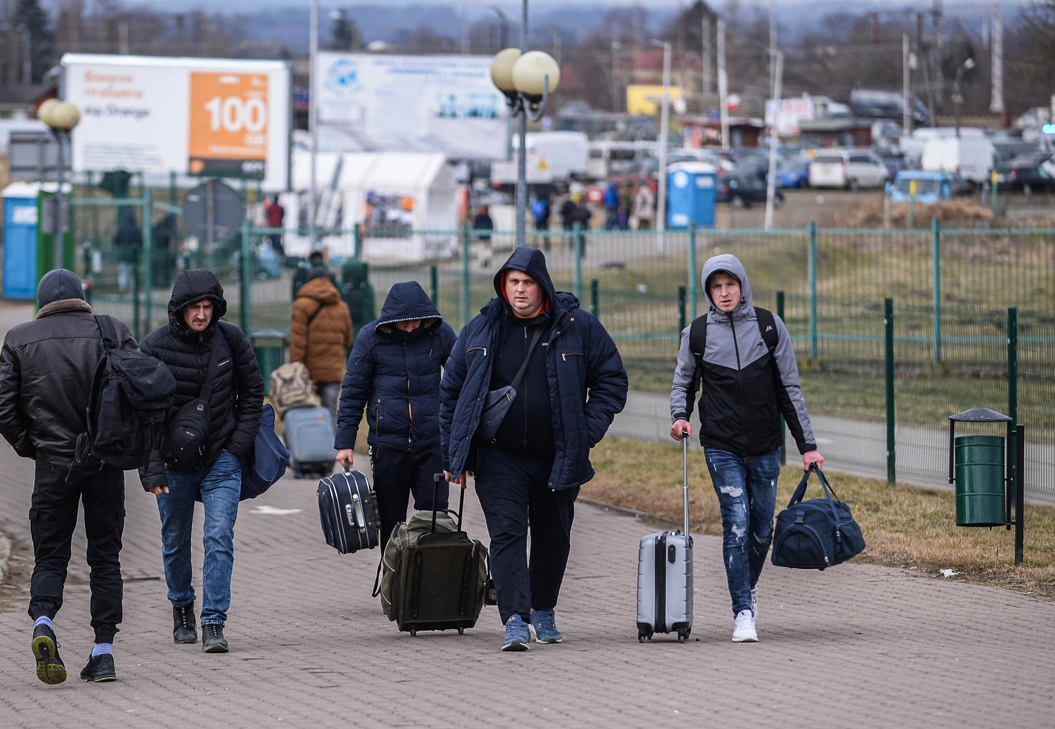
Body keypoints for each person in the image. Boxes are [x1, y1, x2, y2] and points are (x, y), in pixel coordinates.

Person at [440, 247, 627, 652]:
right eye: (513, 283)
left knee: (552, 537)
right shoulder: (481, 329)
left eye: (527, 283)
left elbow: (612, 380)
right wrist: (452, 456)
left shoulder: (579, 326)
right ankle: (515, 619)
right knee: (507, 534)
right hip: (498, 454)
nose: (520, 290)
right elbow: (451, 393)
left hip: (559, 455)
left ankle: (543, 609)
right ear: (502, 286)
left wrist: (585, 431)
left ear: (543, 287)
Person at [0, 269, 136, 684]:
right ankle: (103, 652)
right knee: (105, 557)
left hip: (53, 465)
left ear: (41, 301)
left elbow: (1, 410)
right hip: (105, 464)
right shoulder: (111, 331)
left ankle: (44, 623)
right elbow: (138, 394)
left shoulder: (19, 339)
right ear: (81, 296)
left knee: (51, 555)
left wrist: (32, 445)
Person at [669, 253, 823, 643]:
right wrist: (680, 415)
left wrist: (808, 446)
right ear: (708, 291)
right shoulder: (698, 334)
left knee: (759, 529)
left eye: (730, 285)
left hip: (766, 445)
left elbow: (790, 390)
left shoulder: (770, 327)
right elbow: (684, 384)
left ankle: (748, 587)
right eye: (716, 286)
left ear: (742, 286)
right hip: (721, 446)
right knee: (735, 522)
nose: (724, 293)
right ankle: (743, 611)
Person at [139, 269, 264, 653]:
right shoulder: (154, 347)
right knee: (175, 540)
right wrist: (152, 466)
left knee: (218, 536)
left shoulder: (232, 340)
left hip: (221, 457)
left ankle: (213, 622)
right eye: (195, 307)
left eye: (209, 307)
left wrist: (236, 448)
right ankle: (181, 608)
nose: (202, 315)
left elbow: (254, 392)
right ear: (179, 309)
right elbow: (143, 415)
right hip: (174, 464)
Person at [335, 281, 457, 538]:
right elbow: (354, 392)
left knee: (435, 520)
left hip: (432, 443)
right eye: (403, 322)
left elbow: (462, 377)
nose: (410, 327)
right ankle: (392, 577)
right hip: (388, 446)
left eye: (416, 321)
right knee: (391, 523)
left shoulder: (440, 334)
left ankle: (432, 577)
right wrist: (345, 442)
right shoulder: (371, 338)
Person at [290, 267, 354, 415]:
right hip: (333, 371)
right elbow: (348, 340)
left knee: (305, 415)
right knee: (330, 413)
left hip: (308, 372)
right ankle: (331, 438)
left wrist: (295, 369)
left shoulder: (301, 305)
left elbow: (298, 342)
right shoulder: (342, 307)